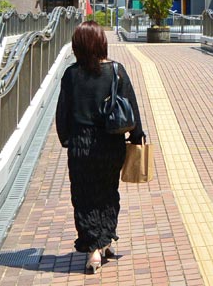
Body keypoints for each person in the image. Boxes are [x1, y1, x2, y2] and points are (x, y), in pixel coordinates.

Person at [56, 21, 144, 274]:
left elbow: (62, 114)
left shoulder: (71, 74)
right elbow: (131, 110)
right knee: (108, 192)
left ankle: (94, 248)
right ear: (101, 43)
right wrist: (136, 138)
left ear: (78, 46)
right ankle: (105, 241)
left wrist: (67, 140)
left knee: (84, 197)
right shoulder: (116, 71)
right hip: (110, 143)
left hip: (81, 146)